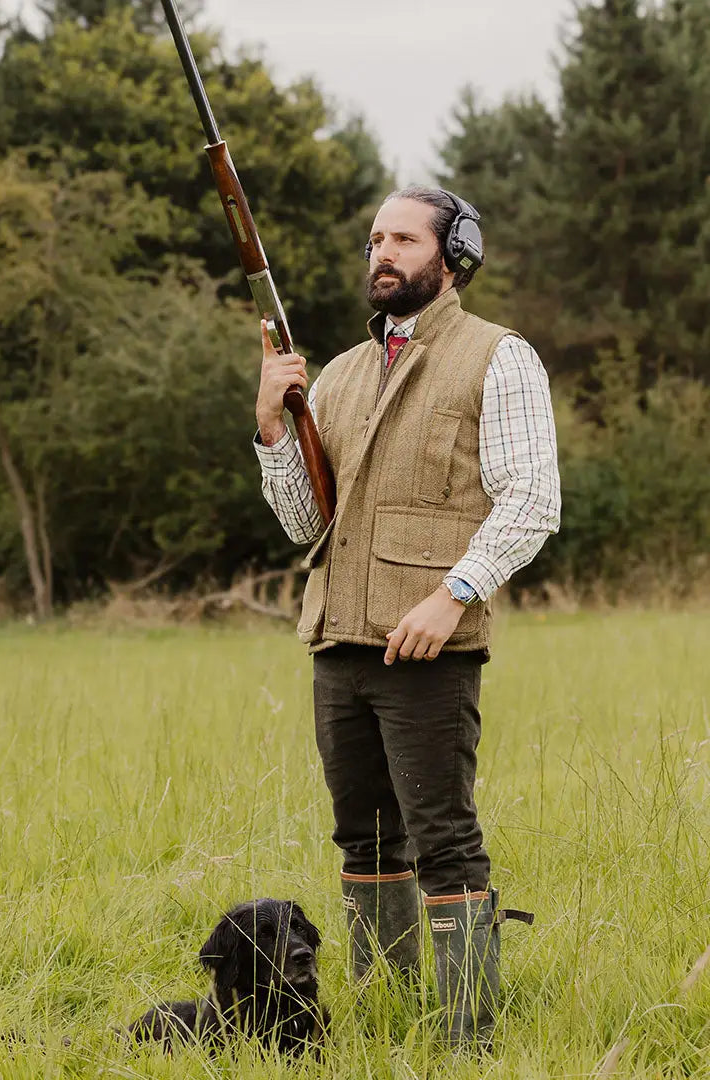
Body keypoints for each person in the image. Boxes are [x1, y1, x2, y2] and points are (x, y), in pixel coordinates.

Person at [252, 186, 561, 1047]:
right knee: (364, 840)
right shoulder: (343, 374)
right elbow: (312, 524)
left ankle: (470, 1036)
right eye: (374, 240)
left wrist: (452, 593)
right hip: (337, 645)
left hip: (431, 647)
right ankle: (390, 1017)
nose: (381, 254)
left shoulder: (499, 357)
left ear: (452, 253)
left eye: (402, 239)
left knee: (444, 840)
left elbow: (533, 500)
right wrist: (274, 430)